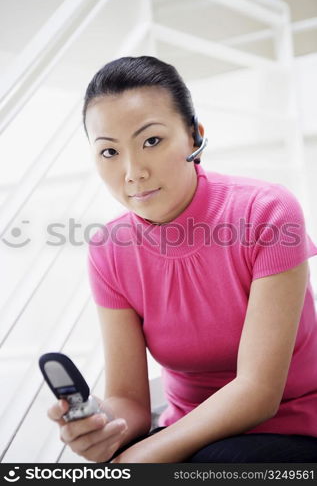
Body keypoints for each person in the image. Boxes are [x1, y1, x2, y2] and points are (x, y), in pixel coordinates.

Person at [48, 55, 317, 463]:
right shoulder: (109, 249)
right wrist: (101, 428)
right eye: (109, 152)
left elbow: (259, 393)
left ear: (194, 137)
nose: (133, 171)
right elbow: (130, 401)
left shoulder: (268, 211)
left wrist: (141, 457)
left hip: (291, 425)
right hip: (186, 432)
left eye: (151, 141)